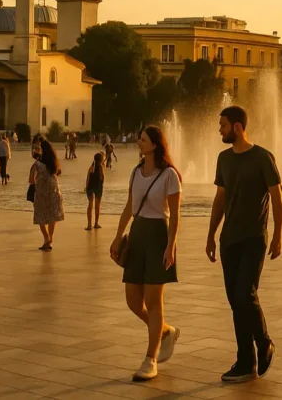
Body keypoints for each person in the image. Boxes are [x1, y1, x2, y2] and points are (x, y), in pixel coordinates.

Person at [206, 106, 282, 384]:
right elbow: (220, 199)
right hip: (229, 240)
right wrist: (211, 234)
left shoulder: (263, 157)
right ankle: (245, 361)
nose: (220, 130)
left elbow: (276, 196)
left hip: (254, 238)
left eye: (223, 125)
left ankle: (263, 343)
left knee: (244, 294)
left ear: (237, 127)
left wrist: (277, 235)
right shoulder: (223, 159)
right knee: (235, 301)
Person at [110, 126, 182, 382]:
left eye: (142, 139)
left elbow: (174, 215)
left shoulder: (169, 175)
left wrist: (170, 245)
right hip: (138, 233)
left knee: (153, 301)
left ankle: (151, 359)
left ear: (155, 144)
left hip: (157, 236)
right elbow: (130, 206)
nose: (138, 142)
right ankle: (165, 331)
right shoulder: (135, 172)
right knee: (132, 300)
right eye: (139, 138)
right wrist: (118, 236)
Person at [30, 137, 66, 250]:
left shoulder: (37, 164)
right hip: (55, 192)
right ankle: (50, 239)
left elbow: (31, 180)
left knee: (41, 216)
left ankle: (46, 238)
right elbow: (58, 173)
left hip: (41, 193)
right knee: (52, 217)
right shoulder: (54, 163)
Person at [85, 152, 105, 230]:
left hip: (90, 187)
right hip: (98, 187)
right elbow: (102, 179)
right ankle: (96, 223)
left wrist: (86, 188)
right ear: (101, 160)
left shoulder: (91, 167)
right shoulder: (101, 167)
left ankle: (89, 225)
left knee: (90, 205)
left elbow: (87, 179)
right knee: (97, 206)